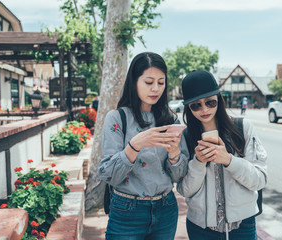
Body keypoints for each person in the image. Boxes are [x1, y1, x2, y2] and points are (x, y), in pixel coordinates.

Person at [98, 52, 189, 240]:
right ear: (134, 81)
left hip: (166, 209)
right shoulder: (117, 118)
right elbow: (108, 174)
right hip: (127, 211)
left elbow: (180, 176)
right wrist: (135, 145)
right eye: (148, 82)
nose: (155, 88)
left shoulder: (171, 120)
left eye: (161, 82)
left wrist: (174, 154)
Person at [177, 70, 267, 240]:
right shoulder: (187, 137)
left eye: (210, 102)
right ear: (188, 107)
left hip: (242, 225)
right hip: (200, 228)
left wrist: (229, 160)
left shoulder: (242, 128)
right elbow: (185, 190)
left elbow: (260, 180)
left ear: (219, 98)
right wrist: (198, 162)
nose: (204, 109)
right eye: (196, 105)